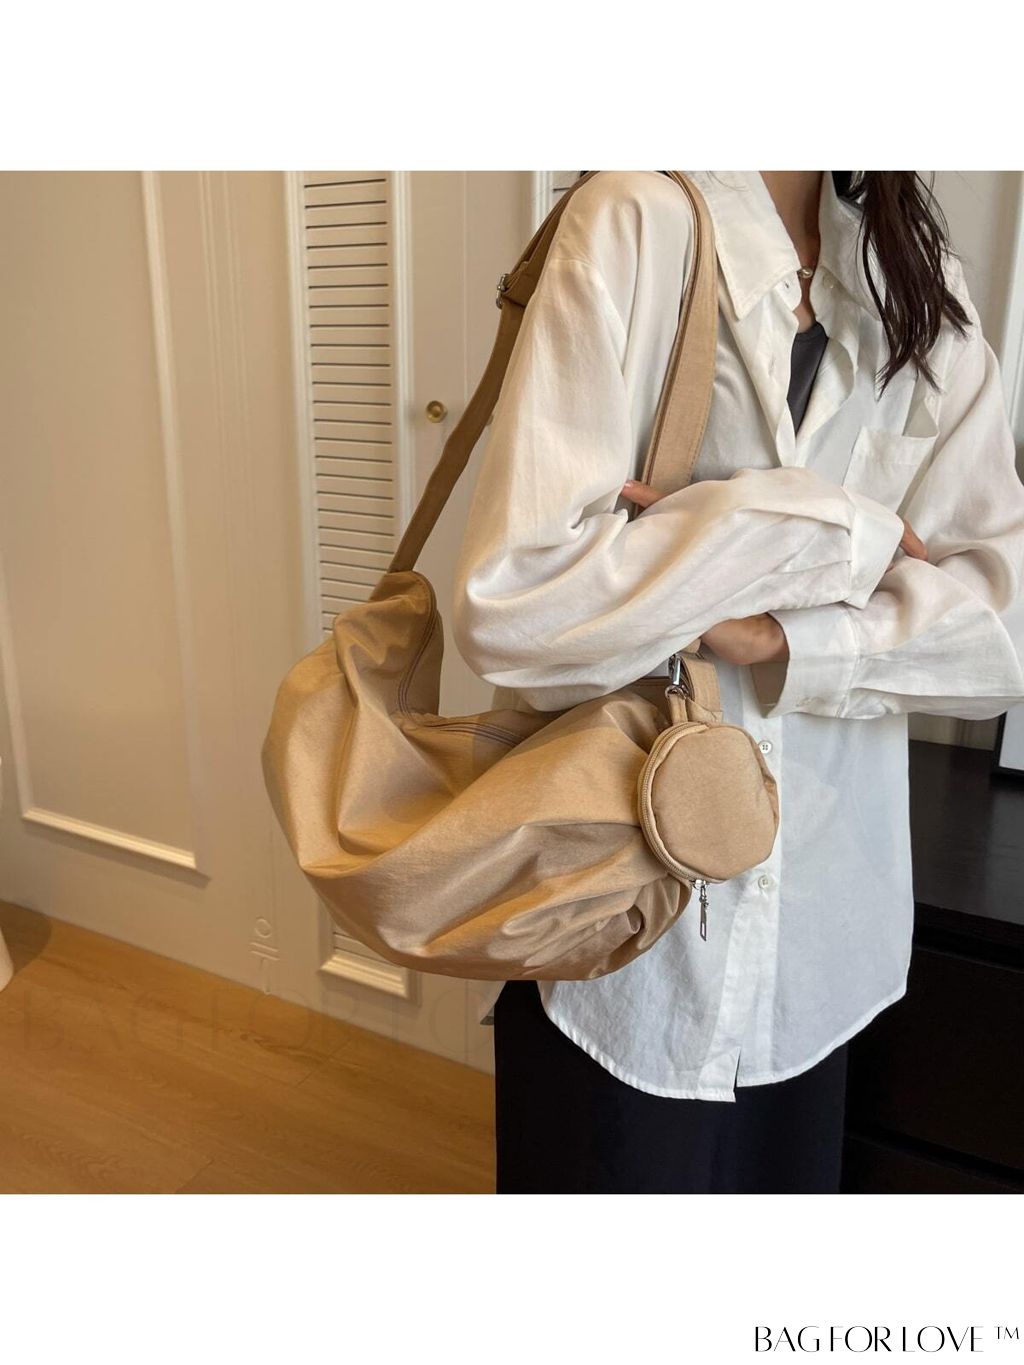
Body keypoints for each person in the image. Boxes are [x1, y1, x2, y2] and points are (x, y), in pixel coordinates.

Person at [451, 170, 1024, 1194]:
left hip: (821, 925)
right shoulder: (637, 218)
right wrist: (848, 534)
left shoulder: (914, 271)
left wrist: (781, 632)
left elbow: (1002, 631)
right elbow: (516, 606)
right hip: (621, 923)